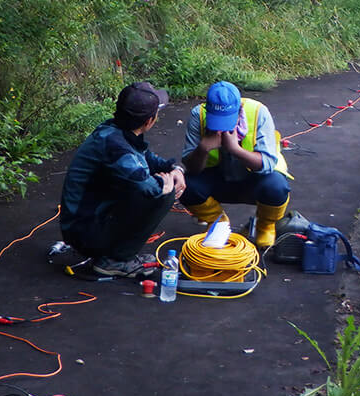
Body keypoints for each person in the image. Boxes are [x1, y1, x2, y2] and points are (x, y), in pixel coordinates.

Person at [58, 82, 186, 278]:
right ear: (149, 121)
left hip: (87, 220)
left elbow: (147, 158)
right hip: (83, 231)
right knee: (162, 196)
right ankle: (115, 260)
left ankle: (114, 253)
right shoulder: (115, 145)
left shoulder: (117, 131)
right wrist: (165, 185)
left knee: (157, 187)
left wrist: (173, 169)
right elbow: (147, 187)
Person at [179, 81, 292, 250]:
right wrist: (203, 149)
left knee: (276, 186)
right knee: (184, 184)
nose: (221, 128)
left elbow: (267, 164)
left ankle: (265, 226)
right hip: (218, 179)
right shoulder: (198, 115)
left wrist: (235, 149)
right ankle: (218, 223)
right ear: (207, 109)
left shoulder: (258, 112)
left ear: (239, 109)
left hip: (253, 179)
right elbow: (192, 170)